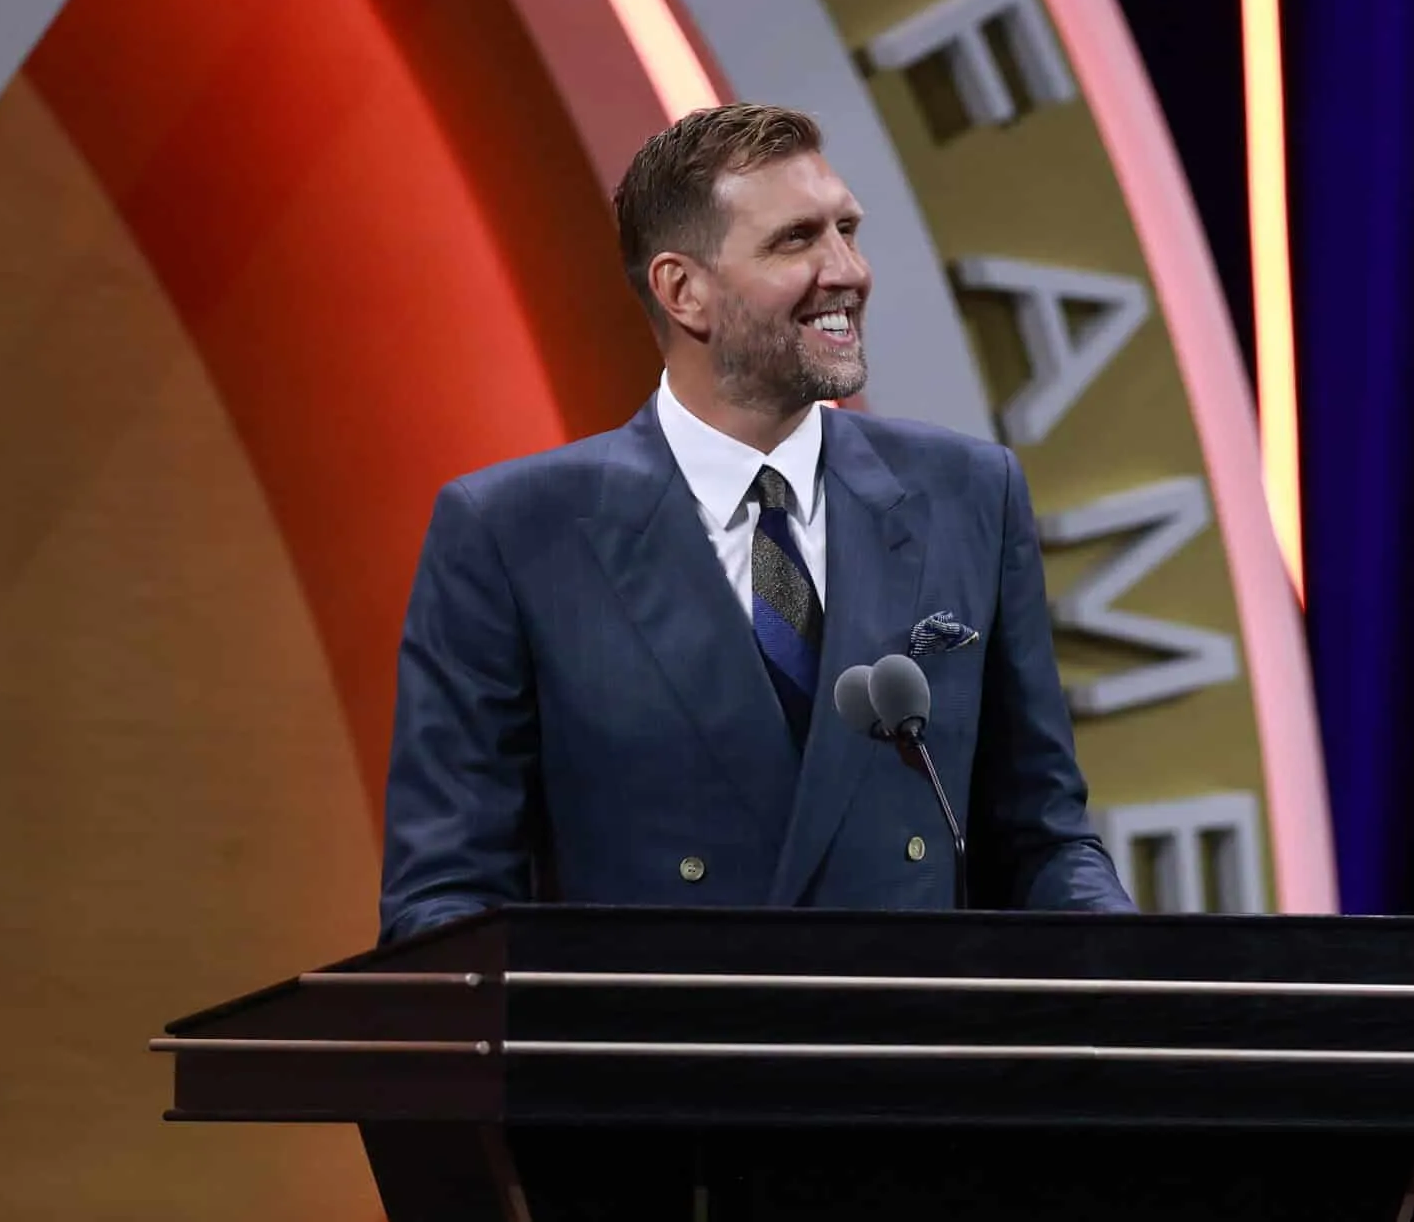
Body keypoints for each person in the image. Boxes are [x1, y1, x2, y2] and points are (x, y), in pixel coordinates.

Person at [377, 104, 1132, 942]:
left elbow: (1043, 839)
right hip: (658, 1024)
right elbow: (445, 897)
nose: (847, 270)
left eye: (847, 229)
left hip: (906, 1021)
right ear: (683, 290)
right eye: (796, 240)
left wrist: (1136, 967)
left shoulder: (969, 492)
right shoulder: (514, 533)